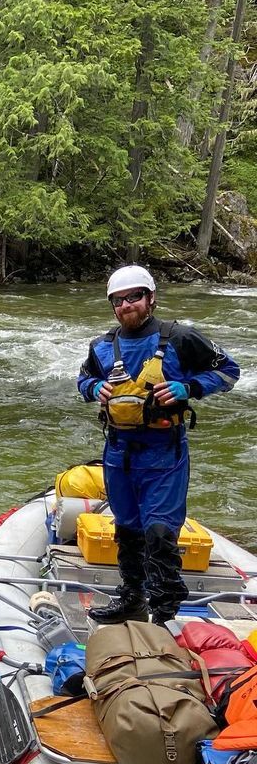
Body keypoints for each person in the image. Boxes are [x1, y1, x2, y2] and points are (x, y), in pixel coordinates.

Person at [77, 265, 240, 625]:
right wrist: (93, 388)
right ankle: (132, 598)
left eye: (134, 297)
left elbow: (229, 371)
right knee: (127, 530)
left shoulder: (181, 338)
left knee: (160, 532)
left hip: (165, 451)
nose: (126, 305)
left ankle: (164, 613)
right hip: (119, 451)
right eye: (118, 300)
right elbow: (84, 379)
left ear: (150, 298)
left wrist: (190, 387)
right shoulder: (102, 346)